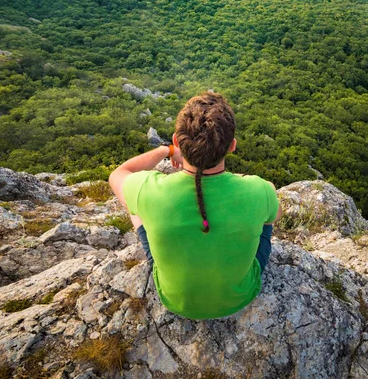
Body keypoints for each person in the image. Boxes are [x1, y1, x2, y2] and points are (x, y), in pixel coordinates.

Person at [109, 91, 282, 320]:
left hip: (175, 299)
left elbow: (118, 174)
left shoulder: (148, 190)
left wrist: (165, 151)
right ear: (232, 146)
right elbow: (275, 217)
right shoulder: (260, 191)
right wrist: (255, 187)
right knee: (266, 217)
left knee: (137, 210)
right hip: (239, 296)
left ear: (177, 141)